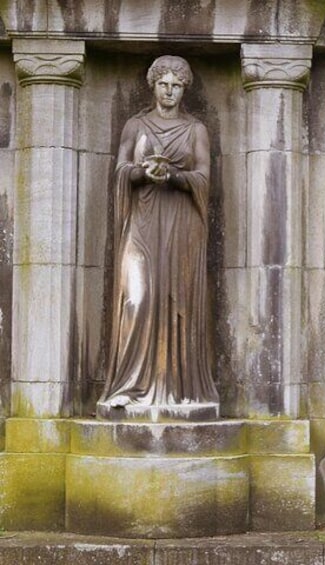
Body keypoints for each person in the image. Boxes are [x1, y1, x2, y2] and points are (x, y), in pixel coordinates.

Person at [99, 55, 218, 411]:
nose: (169, 91)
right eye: (163, 84)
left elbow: (204, 178)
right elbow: (120, 171)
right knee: (137, 298)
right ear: (153, 85)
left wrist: (175, 178)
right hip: (143, 220)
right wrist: (140, 173)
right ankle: (131, 384)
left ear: (185, 89)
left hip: (182, 225)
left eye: (176, 85)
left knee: (176, 299)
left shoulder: (196, 130)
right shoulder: (135, 126)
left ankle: (178, 388)